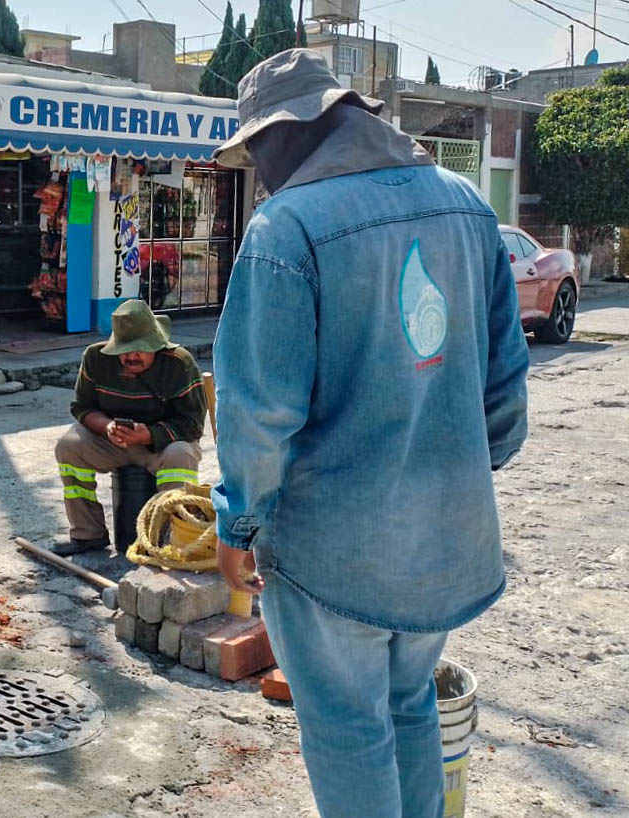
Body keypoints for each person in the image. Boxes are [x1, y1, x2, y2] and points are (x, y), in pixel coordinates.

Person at [210, 50, 529, 818]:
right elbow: (504, 384)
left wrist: (240, 522)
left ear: (286, 135)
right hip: (446, 541)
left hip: (335, 553)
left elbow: (258, 413)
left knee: (351, 726)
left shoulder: (287, 228)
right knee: (409, 701)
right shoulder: (465, 204)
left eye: (258, 147)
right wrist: (458, 467)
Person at [52, 299, 206, 556]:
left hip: (163, 445)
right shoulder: (95, 357)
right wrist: (108, 427)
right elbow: (82, 407)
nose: (132, 356)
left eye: (140, 350)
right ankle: (87, 534)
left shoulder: (179, 363)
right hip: (113, 441)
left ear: (156, 345)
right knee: (69, 446)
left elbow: (192, 424)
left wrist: (148, 435)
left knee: (182, 454)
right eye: (126, 350)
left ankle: (173, 542)